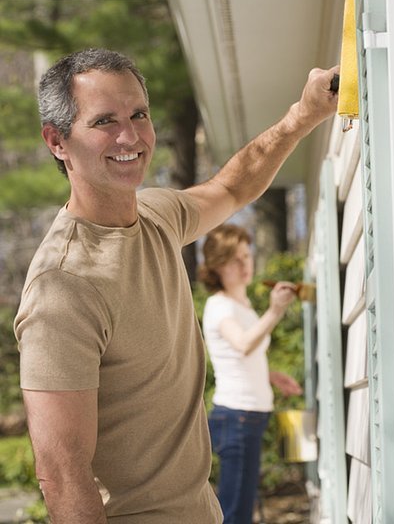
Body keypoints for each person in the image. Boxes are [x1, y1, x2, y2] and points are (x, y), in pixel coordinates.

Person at [13, 47, 338, 523]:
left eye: (138, 113)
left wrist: (302, 116)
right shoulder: (63, 288)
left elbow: (231, 188)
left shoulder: (156, 217)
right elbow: (62, 475)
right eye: (104, 121)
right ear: (57, 142)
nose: (130, 135)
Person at [200, 223, 302, 524]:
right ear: (217, 266)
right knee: (234, 512)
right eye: (235, 259)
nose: (245, 264)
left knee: (242, 507)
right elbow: (243, 344)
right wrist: (275, 311)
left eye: (247, 255)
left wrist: (271, 376)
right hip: (237, 416)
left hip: (249, 416)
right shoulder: (220, 306)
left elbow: (243, 354)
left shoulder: (241, 304)